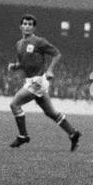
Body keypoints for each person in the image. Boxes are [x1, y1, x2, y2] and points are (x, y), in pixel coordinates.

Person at [6, 14, 81, 151]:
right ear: (20, 26)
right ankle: (73, 133)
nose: (27, 26)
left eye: (30, 24)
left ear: (33, 27)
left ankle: (23, 136)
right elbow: (22, 63)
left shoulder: (39, 41)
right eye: (25, 24)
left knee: (14, 104)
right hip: (30, 81)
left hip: (38, 81)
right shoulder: (19, 44)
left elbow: (57, 53)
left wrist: (50, 70)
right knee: (51, 113)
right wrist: (15, 66)